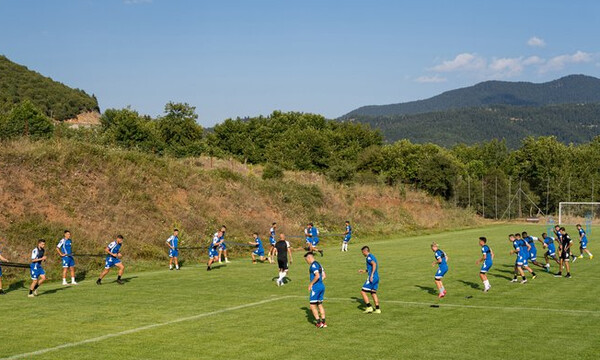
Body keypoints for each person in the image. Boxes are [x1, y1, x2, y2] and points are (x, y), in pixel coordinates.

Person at [305, 252, 327, 328]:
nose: (306, 262)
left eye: (306, 260)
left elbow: (317, 276)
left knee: (312, 305)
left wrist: (311, 284)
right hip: (322, 286)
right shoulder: (319, 264)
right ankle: (324, 322)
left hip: (316, 287)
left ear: (309, 258)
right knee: (320, 304)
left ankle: (318, 322)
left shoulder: (313, 265)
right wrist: (320, 282)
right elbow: (324, 276)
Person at [359, 246, 380, 313]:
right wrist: (364, 271)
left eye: (362, 252)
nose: (362, 254)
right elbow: (371, 267)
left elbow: (374, 264)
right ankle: (377, 309)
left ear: (365, 251)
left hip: (373, 277)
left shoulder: (368, 257)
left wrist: (371, 275)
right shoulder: (372, 256)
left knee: (363, 291)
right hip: (376, 277)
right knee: (373, 292)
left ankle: (369, 307)